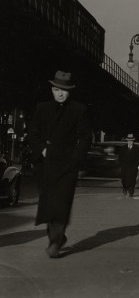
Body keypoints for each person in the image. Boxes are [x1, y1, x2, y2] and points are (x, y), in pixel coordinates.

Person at [28, 70, 92, 258]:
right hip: (46, 165)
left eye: (64, 90)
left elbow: (85, 138)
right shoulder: (42, 108)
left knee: (61, 204)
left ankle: (55, 242)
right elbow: (33, 134)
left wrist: (74, 159)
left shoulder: (79, 110)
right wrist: (42, 150)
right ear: (52, 89)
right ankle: (57, 237)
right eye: (57, 89)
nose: (60, 93)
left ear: (70, 90)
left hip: (67, 166)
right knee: (48, 204)